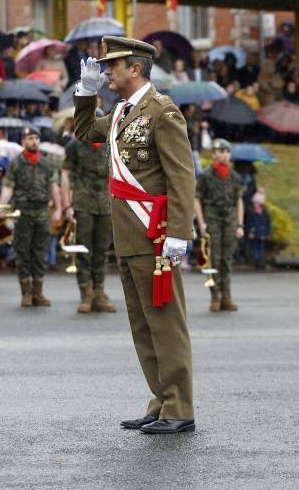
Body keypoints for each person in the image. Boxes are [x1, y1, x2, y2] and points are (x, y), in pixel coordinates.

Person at [73, 36, 196, 434]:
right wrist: (85, 93)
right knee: (142, 324)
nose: (107, 71)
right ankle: (161, 400)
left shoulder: (163, 112)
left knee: (164, 323)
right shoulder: (124, 110)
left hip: (155, 233)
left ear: (136, 69)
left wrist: (179, 232)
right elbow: (85, 131)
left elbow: (181, 175)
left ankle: (180, 408)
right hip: (128, 235)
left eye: (112, 66)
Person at [0, 126, 61, 307]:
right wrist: (2, 207)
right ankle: (26, 292)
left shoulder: (46, 163)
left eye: (36, 138)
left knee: (40, 252)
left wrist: (58, 208)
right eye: (30, 138)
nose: (34, 141)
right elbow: (8, 187)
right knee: (23, 252)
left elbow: (53, 186)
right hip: (23, 212)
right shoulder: (16, 163)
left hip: (42, 212)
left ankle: (38, 292)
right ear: (23, 142)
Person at [61, 135, 117, 313]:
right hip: (83, 202)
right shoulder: (75, 145)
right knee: (83, 249)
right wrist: (67, 204)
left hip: (106, 202)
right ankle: (86, 293)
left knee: (101, 250)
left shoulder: (111, 143)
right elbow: (65, 174)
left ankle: (99, 291)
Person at [194, 138, 244, 312]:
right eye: (220, 151)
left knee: (227, 259)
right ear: (214, 154)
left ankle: (227, 296)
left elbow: (239, 201)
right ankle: (215, 296)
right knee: (213, 258)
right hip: (212, 218)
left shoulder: (234, 176)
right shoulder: (206, 175)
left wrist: (240, 225)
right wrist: (201, 222)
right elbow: (197, 198)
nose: (224, 155)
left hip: (229, 219)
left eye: (226, 151)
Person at [245, 188, 271, 271]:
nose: (255, 204)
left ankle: (261, 262)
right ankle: (257, 262)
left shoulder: (264, 212)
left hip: (262, 233)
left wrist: (267, 233)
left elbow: (267, 224)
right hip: (255, 233)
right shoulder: (251, 212)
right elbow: (249, 223)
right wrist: (250, 231)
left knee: (261, 248)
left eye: (257, 203)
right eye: (254, 203)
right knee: (256, 248)